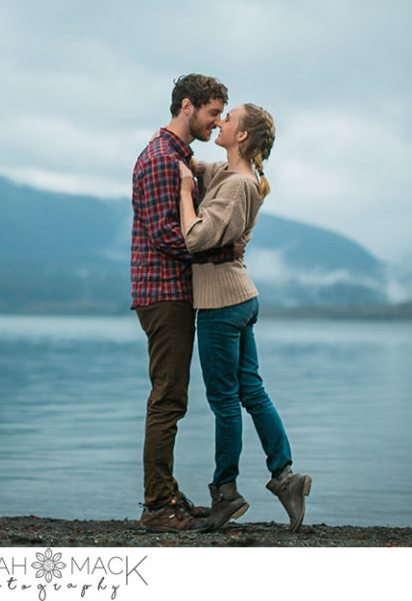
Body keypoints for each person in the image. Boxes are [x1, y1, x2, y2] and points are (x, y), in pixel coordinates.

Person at [178, 103, 312, 532]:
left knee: (224, 402)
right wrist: (182, 154)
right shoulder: (236, 175)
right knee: (251, 392)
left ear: (242, 137)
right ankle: (285, 478)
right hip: (239, 298)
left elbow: (197, 238)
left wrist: (183, 193)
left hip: (221, 303)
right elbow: (202, 167)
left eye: (228, 118)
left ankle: (225, 492)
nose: (220, 121)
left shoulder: (238, 185)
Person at [131, 74, 227, 532]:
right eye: (212, 112)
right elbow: (164, 234)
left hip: (177, 291)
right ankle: (156, 506)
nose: (217, 121)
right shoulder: (158, 159)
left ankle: (167, 493)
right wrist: (216, 248)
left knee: (173, 398)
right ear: (187, 106)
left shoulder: (178, 156)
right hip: (162, 293)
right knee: (167, 400)